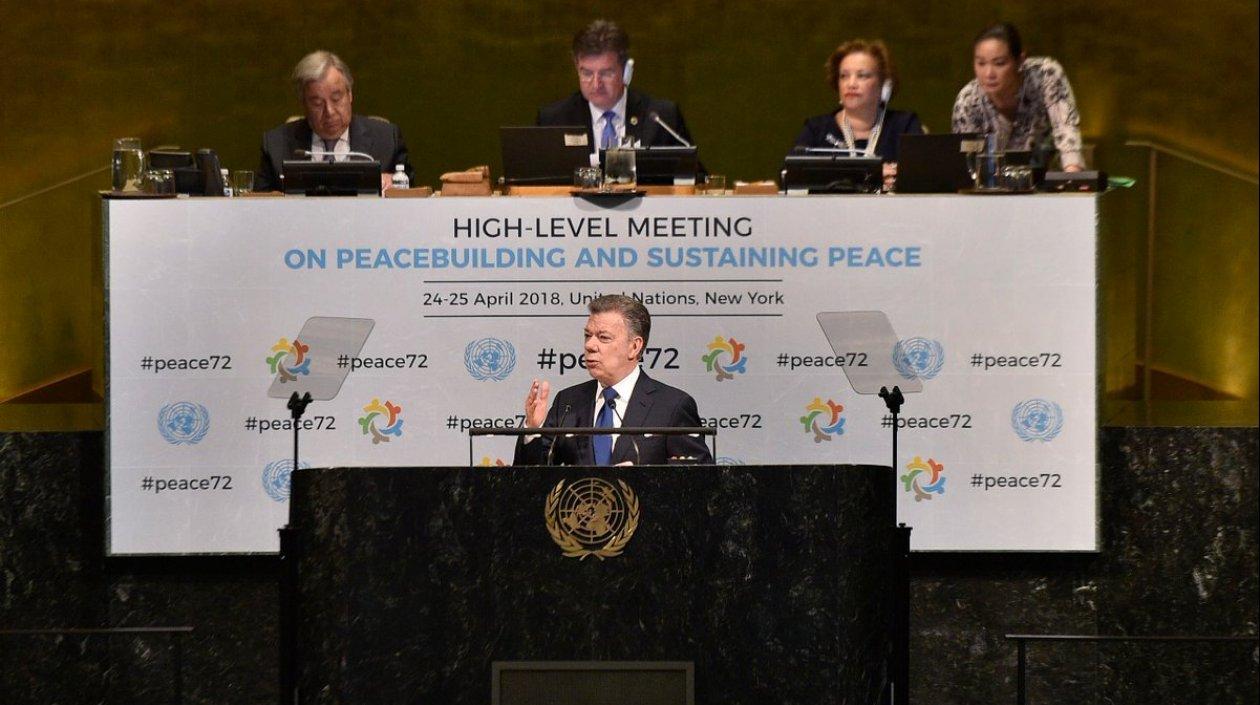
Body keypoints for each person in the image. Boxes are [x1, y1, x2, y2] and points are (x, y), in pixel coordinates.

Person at [514, 294, 713, 466]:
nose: (590, 345)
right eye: (587, 335)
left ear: (634, 347)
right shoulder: (567, 402)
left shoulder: (672, 406)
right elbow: (531, 480)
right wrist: (533, 430)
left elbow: (697, 479)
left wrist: (645, 480)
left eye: (603, 337)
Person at [256, 50, 413, 192]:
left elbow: (414, 200)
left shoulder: (386, 140)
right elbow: (259, 207)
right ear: (303, 104)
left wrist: (395, 183)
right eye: (317, 103)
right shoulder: (276, 145)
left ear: (350, 95)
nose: (329, 112)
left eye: (336, 99)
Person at [537, 20, 696, 155]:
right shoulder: (554, 120)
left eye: (606, 73)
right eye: (587, 73)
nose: (596, 84)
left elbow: (696, 180)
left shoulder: (661, 119)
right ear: (576, 67)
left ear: (626, 71)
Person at [951, 22, 1085, 171]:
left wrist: (1072, 178)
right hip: (992, 188)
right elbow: (968, 164)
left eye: (999, 63)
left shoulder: (1045, 75)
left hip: (1049, 181)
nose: (989, 74)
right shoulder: (968, 101)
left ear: (1020, 60)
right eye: (981, 63)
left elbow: (1066, 129)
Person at [794, 39, 924, 169]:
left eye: (862, 76)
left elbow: (923, 173)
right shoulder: (816, 130)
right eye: (844, 76)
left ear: (884, 86)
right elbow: (789, 176)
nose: (851, 84)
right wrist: (872, 176)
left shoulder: (904, 125)